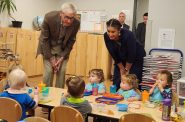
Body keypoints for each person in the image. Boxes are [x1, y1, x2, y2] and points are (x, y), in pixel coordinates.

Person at [36, 3, 80, 88]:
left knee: (62, 70)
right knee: (49, 71)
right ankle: (46, 94)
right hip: (48, 47)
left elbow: (71, 41)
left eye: (72, 18)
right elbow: (44, 39)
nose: (69, 21)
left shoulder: (76, 23)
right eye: (66, 17)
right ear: (61, 13)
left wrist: (62, 57)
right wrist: (51, 59)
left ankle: (59, 94)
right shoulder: (49, 17)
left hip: (62, 49)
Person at [104, 18, 146, 90]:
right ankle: (117, 95)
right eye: (108, 31)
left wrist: (126, 69)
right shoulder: (106, 36)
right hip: (120, 58)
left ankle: (135, 97)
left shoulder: (128, 35)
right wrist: (121, 68)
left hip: (136, 58)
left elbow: (131, 54)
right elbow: (113, 53)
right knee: (118, 80)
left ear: (119, 30)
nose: (110, 34)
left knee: (131, 79)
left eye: (113, 32)